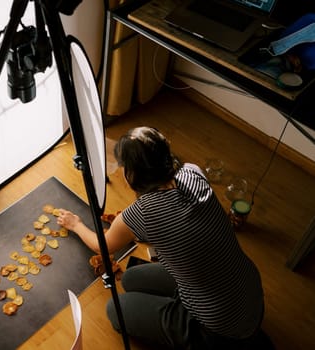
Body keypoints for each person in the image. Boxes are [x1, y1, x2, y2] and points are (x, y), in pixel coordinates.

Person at [57, 127, 269, 349]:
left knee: (115, 309)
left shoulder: (142, 213)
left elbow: (103, 246)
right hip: (248, 291)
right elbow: (185, 223)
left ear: (130, 176)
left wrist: (76, 224)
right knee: (130, 278)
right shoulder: (192, 172)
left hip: (218, 327)